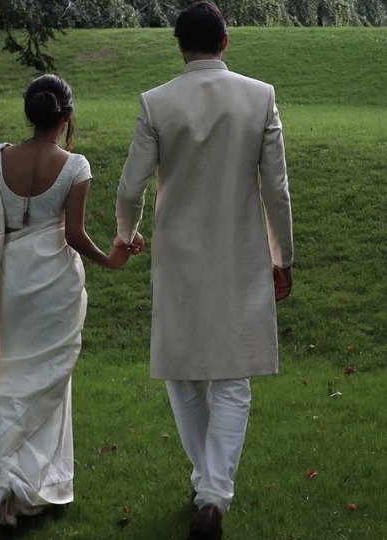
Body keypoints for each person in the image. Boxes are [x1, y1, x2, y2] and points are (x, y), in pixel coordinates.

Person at [114, 2, 293, 539]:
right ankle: (212, 495)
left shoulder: (156, 102)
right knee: (232, 379)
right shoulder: (260, 97)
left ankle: (207, 489)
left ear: (179, 45)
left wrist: (126, 233)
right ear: (226, 41)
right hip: (240, 254)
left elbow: (130, 187)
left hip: (177, 257)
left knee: (184, 375)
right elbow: (277, 190)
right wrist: (282, 256)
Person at [0, 74, 140, 527]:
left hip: (8, 279)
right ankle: (23, 483)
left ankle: (9, 481)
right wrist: (111, 260)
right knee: (48, 381)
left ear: (30, 113)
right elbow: (74, 234)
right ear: (67, 117)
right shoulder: (75, 166)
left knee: (12, 376)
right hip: (54, 284)